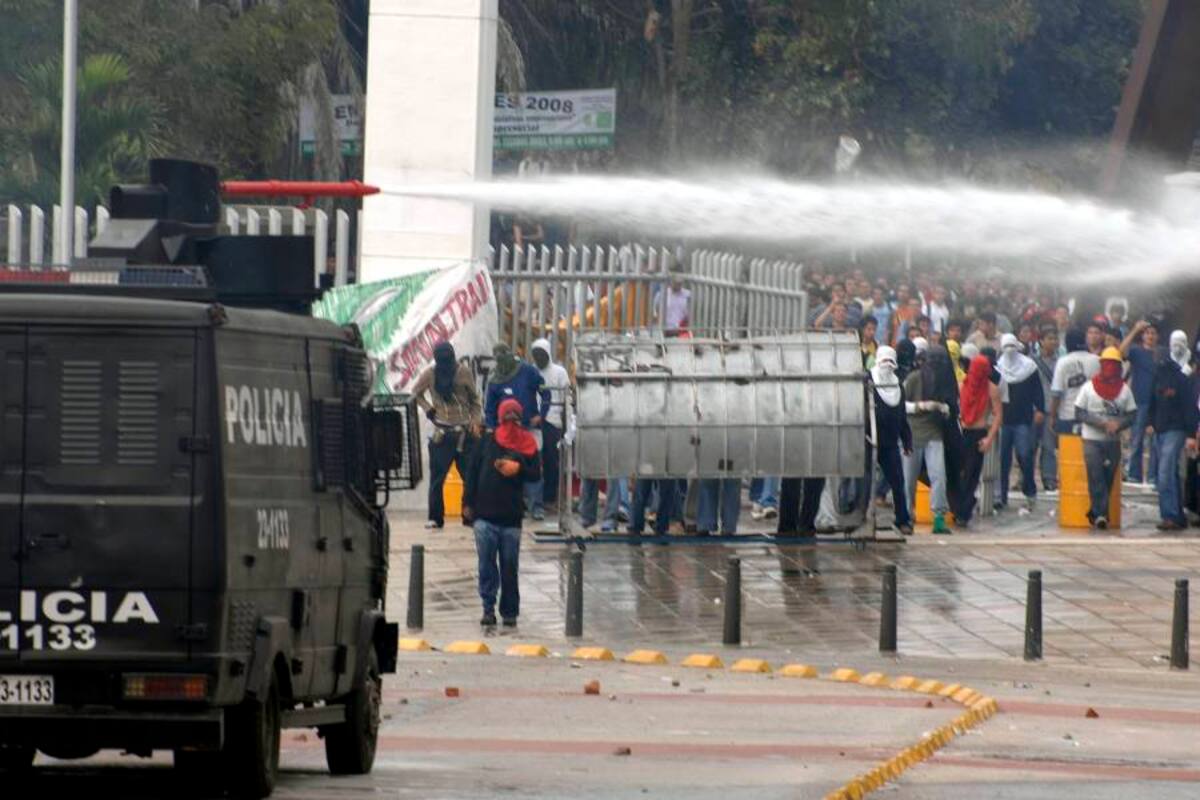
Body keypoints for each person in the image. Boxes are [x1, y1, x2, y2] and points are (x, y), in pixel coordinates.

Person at [462, 397, 541, 627]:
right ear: (499, 417)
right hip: (484, 517)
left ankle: (509, 612)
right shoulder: (486, 443)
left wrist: (518, 467)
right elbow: (472, 473)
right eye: (507, 416)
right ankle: (488, 608)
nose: (511, 422)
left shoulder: (527, 444)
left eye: (515, 416)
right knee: (486, 564)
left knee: (509, 567)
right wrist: (467, 504)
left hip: (511, 518)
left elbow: (535, 474)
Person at [412, 341, 482, 530]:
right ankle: (435, 518)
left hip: (464, 433)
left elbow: (475, 401)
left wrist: (476, 421)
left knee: (470, 477)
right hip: (442, 434)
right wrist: (429, 409)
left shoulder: (464, 372)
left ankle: (469, 516)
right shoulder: (430, 374)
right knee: (437, 479)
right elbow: (415, 393)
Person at [485, 343, 550, 520]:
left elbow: (545, 392)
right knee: (508, 467)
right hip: (505, 434)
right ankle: (514, 505)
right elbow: (489, 408)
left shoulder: (528, 371)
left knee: (534, 466)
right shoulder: (494, 379)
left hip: (529, 429)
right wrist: (493, 430)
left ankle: (536, 506)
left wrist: (541, 415)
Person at [1074, 347, 1136, 530]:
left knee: (1108, 478)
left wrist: (1118, 424)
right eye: (1107, 364)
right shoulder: (1088, 387)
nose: (1110, 368)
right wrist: (1101, 423)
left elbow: (1132, 415)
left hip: (1113, 441)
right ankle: (1101, 514)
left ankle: (1096, 512)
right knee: (1096, 476)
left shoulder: (1124, 390)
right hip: (1091, 439)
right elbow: (1079, 412)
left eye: (1114, 365)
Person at [1148, 331, 1199, 531]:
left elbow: (1189, 408)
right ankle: (1176, 514)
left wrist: (1189, 435)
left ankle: (1170, 515)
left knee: (1165, 472)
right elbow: (1152, 402)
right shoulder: (1158, 376)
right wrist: (1150, 423)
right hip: (1160, 429)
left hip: (1176, 429)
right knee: (1171, 473)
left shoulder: (1181, 379)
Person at [903, 343, 953, 533]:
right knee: (909, 479)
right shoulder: (914, 379)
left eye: (940, 360)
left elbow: (952, 406)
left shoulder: (946, 382)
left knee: (939, 476)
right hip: (912, 434)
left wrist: (945, 409)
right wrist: (921, 406)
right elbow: (900, 403)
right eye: (933, 360)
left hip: (935, 434)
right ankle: (906, 515)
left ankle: (939, 517)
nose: (936, 364)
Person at [996, 333, 1044, 513]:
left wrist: (1040, 408)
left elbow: (1037, 390)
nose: (1009, 351)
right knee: (1002, 460)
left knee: (1025, 455)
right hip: (1003, 420)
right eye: (1006, 347)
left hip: (1023, 419)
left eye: (1012, 346)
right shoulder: (998, 368)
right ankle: (1001, 495)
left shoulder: (1029, 367)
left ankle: (1030, 491)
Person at [870, 346, 913, 535]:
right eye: (884, 361)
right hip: (868, 441)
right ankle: (858, 517)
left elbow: (902, 416)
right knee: (862, 482)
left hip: (890, 443)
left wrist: (907, 440)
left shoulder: (898, 386)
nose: (887, 366)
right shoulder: (869, 380)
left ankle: (903, 519)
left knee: (897, 481)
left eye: (891, 361)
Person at [956, 355, 1003, 526]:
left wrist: (989, 438)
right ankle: (960, 508)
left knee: (972, 475)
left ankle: (964, 511)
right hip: (963, 432)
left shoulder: (991, 389)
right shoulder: (963, 385)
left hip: (979, 434)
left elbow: (998, 414)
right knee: (960, 473)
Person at [1120, 320, 1161, 483]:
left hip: (1158, 402)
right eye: (1147, 333)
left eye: (1153, 333)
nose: (1150, 336)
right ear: (1142, 336)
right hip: (1139, 400)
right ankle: (1134, 475)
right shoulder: (1136, 352)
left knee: (1155, 442)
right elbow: (1120, 352)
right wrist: (1134, 330)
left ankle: (1152, 476)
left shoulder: (1161, 353)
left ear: (1157, 336)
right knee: (1136, 439)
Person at [530, 338, 569, 508]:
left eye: (542, 354)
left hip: (553, 421)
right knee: (532, 460)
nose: (539, 357)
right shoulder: (531, 371)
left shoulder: (560, 372)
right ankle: (533, 498)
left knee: (551, 461)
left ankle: (549, 498)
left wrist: (566, 422)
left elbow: (567, 397)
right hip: (533, 421)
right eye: (536, 354)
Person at [1049, 328, 1100, 435]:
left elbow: (1056, 393)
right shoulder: (1097, 360)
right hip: (1093, 416)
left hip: (1068, 417)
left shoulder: (1063, 362)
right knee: (1090, 451)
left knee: (1070, 452)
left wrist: (1052, 417)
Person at [1032, 327, 1060, 491]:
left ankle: (1049, 479)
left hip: (1051, 410)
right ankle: (1026, 479)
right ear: (1041, 341)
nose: (1053, 342)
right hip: (1034, 410)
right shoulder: (1032, 362)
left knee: (1049, 447)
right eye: (1049, 338)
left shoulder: (1061, 362)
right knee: (1029, 447)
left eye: (1055, 339)